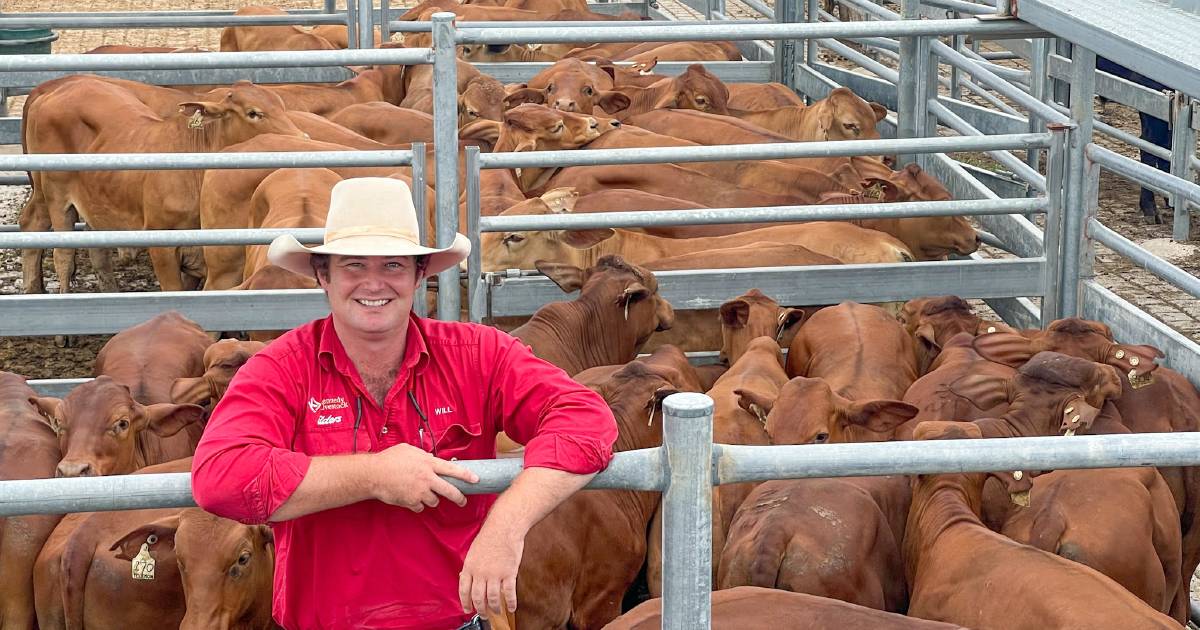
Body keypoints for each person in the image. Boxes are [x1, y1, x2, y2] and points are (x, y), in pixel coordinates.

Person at [191, 177, 619, 630]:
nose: (374, 283)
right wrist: (375, 474)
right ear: (323, 275)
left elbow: (587, 420)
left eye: (393, 265)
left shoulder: (478, 354)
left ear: (419, 275)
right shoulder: (281, 367)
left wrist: (506, 525)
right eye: (353, 265)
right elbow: (221, 476)